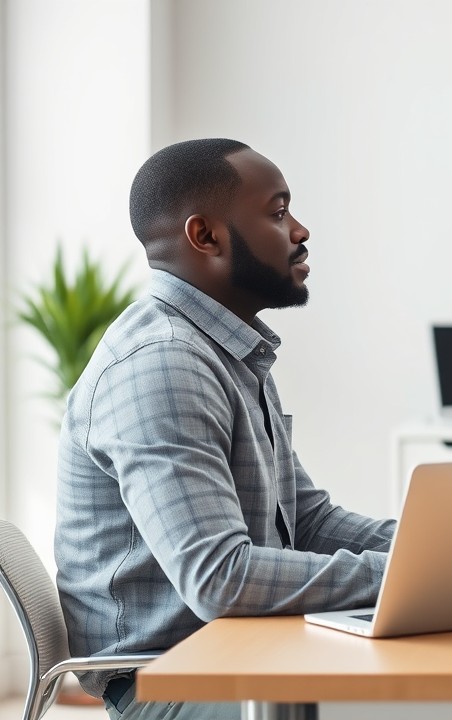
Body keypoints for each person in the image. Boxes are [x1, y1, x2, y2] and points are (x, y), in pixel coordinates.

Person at [56, 139, 396, 720]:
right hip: (171, 682)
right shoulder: (162, 362)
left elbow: (307, 519)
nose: (301, 229)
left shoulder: (227, 352)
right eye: (278, 211)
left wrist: (444, 551)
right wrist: (407, 576)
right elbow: (221, 577)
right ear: (206, 236)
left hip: (240, 652)